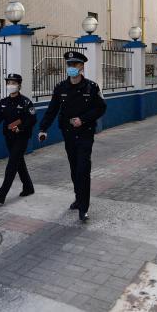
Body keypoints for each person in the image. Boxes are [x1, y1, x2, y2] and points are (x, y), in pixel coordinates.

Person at [38, 51, 106, 222]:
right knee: (74, 168)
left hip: (85, 134)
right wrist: (43, 128)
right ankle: (78, 198)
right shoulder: (60, 87)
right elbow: (52, 109)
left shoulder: (91, 87)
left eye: (75, 64)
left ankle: (83, 208)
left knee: (83, 169)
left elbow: (101, 108)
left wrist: (83, 119)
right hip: (68, 134)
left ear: (82, 66)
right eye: (69, 64)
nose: (71, 67)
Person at [0, 73, 36, 204]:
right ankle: (28, 187)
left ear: (19, 85)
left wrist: (21, 128)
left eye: (13, 83)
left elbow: (32, 119)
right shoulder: (4, 102)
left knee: (12, 164)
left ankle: (1, 194)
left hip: (21, 137)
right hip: (9, 137)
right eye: (8, 83)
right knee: (19, 163)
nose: (10, 85)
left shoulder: (26, 102)